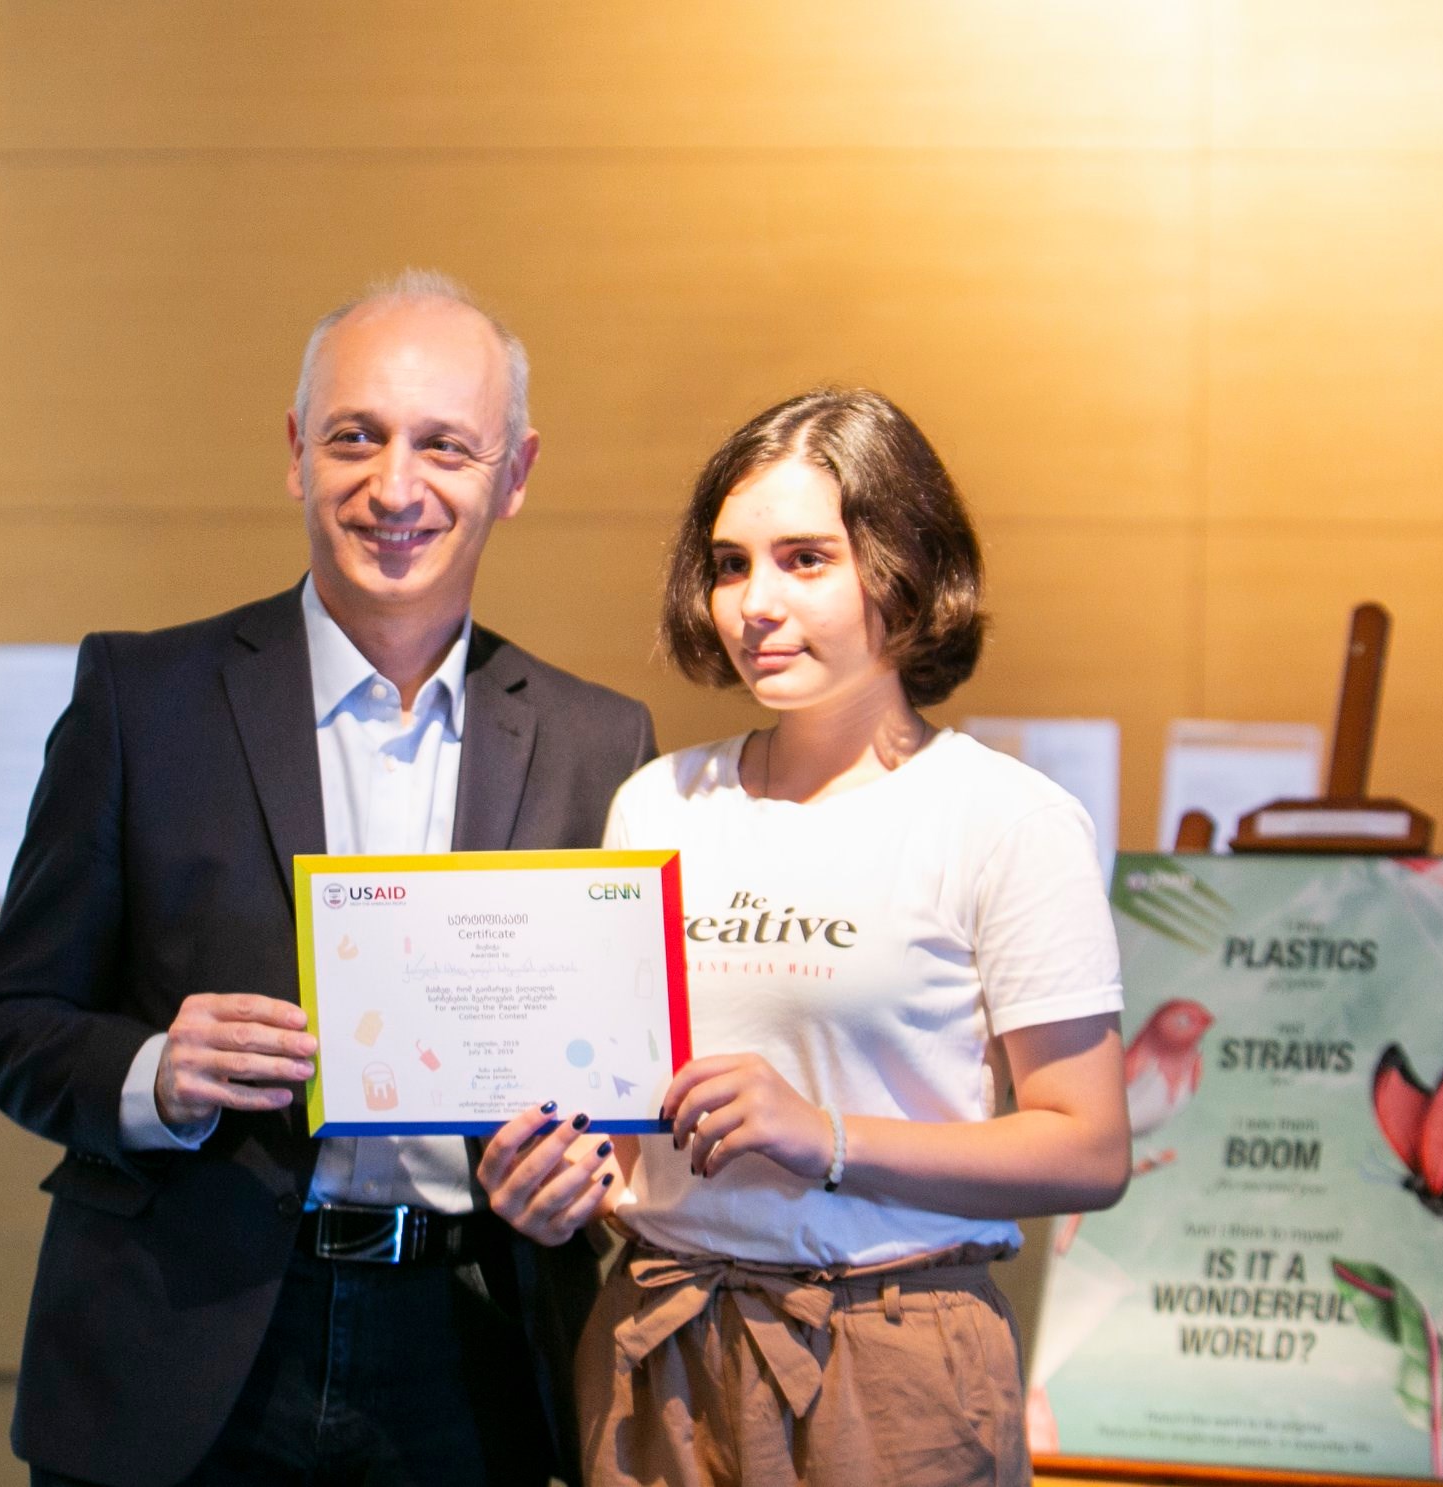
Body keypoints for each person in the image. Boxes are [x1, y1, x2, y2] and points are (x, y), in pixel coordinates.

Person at [0, 271, 657, 1487]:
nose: (394, 487)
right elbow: (10, 1020)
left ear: (515, 472)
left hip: (470, 1353)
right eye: (354, 436)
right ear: (295, 452)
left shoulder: (599, 743)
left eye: (444, 445)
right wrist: (152, 1072)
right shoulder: (142, 700)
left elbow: (623, 1087)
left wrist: (583, 1177)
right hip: (181, 1343)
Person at [479, 387, 1131, 1487]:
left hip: (892, 1349)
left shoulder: (1004, 818)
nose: (754, 604)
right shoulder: (659, 803)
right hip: (658, 1332)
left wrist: (822, 1134)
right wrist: (553, 1179)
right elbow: (625, 1119)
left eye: (805, 559)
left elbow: (1088, 1147)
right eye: (730, 565)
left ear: (904, 569)